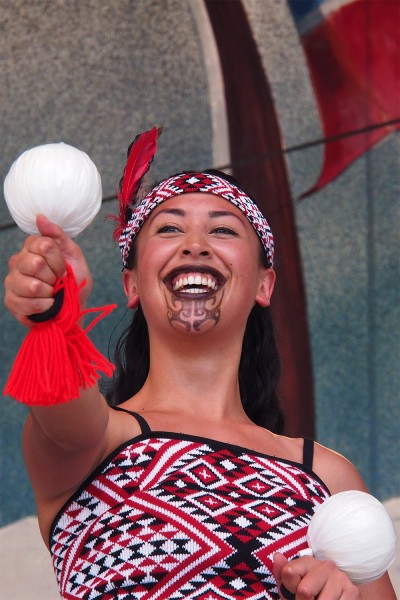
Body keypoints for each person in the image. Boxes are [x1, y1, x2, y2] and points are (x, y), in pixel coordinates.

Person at [4, 132, 396, 600]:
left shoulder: (330, 479)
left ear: (263, 285)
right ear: (131, 284)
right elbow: (56, 392)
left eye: (223, 229)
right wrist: (55, 312)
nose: (195, 244)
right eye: (169, 229)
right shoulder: (95, 444)